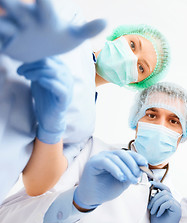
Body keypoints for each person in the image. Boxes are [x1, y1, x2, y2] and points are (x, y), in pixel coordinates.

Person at [0, 0, 170, 202]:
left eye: (141, 67)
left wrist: (52, 126)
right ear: (120, 36)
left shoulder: (85, 123)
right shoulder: (70, 23)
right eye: (133, 45)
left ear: (136, 83)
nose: (131, 58)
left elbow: (36, 184)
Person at [0, 82, 187, 223]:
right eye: (151, 115)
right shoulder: (91, 152)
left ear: (183, 134)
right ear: (136, 121)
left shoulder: (178, 205)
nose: (160, 126)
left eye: (173, 121)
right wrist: (78, 202)